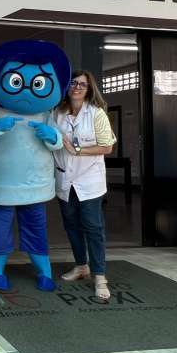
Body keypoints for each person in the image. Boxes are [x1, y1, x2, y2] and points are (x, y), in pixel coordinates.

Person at [0, 40, 69, 293]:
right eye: (16, 81)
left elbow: (59, 141)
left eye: (38, 83)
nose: (26, 89)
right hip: (0, 181)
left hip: (34, 181)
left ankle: (44, 271)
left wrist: (52, 136)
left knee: (36, 227)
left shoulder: (47, 113)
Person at [53, 69, 117, 303]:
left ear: (89, 89)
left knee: (93, 227)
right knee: (71, 226)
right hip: (65, 180)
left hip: (89, 180)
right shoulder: (57, 113)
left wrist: (77, 149)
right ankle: (81, 266)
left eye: (82, 84)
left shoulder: (96, 113)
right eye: (73, 83)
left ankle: (100, 277)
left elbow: (107, 146)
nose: (77, 87)